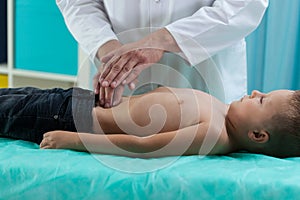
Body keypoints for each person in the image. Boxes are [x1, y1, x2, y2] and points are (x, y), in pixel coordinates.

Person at [56, 0, 269, 107]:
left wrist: (162, 41)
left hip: (204, 79)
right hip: (119, 77)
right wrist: (107, 47)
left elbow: (245, 5)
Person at [0, 86, 299, 158]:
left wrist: (73, 140)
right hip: (82, 101)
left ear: (258, 135)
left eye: (262, 100)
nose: (256, 92)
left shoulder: (214, 134)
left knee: (7, 110)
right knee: (9, 97)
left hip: (69, 119)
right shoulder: (222, 113)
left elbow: (142, 146)